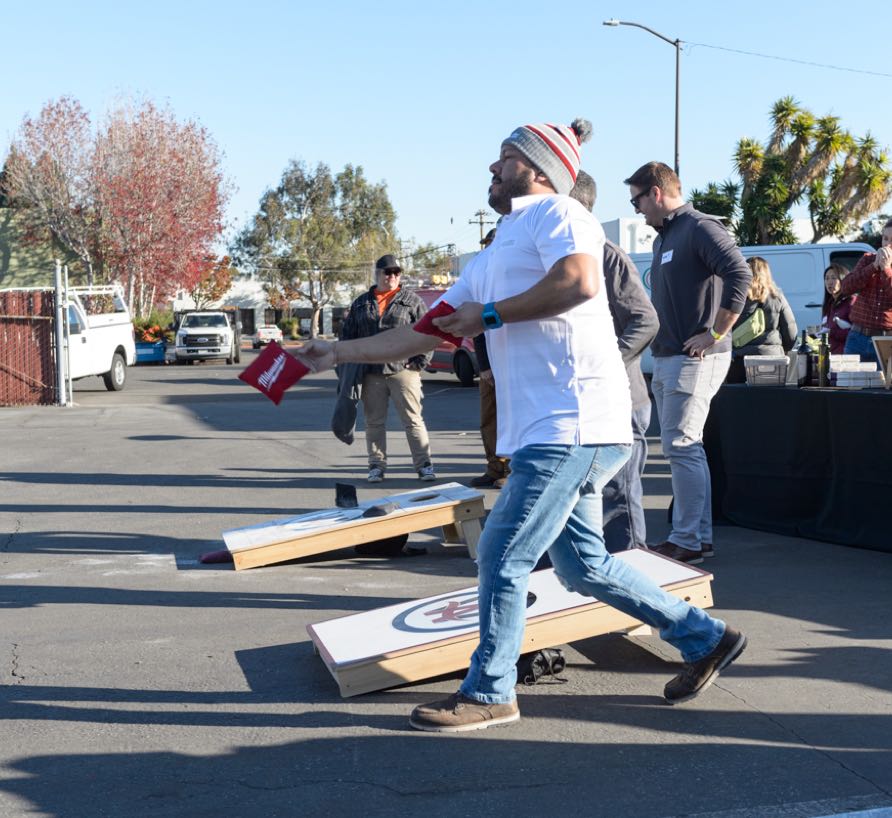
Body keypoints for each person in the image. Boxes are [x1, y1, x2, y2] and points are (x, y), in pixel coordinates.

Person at [299, 120, 746, 732]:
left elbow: (579, 282)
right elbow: (424, 328)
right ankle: (705, 637)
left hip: (573, 424)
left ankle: (490, 691)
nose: (492, 168)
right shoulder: (496, 250)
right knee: (584, 567)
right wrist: (338, 353)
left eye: (505, 158)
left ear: (538, 170)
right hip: (557, 428)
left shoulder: (559, 212)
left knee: (503, 551)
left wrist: (485, 315)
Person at [625, 161, 751, 565]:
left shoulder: (699, 226)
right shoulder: (666, 236)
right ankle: (695, 537)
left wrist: (714, 333)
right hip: (669, 358)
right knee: (681, 447)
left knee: (683, 446)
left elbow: (740, 275)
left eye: (637, 200)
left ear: (656, 193)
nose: (637, 209)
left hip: (694, 358)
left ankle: (689, 540)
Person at [569, 170, 659, 552]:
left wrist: (604, 364)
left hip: (621, 401)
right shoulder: (571, 256)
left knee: (619, 500)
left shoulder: (607, 256)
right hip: (586, 404)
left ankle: (633, 578)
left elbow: (645, 320)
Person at [339, 254, 436, 482]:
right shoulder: (361, 302)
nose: (392, 276)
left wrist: (420, 360)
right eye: (387, 272)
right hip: (371, 373)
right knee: (374, 422)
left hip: (404, 371)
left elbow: (429, 331)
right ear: (378, 273)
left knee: (413, 420)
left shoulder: (411, 301)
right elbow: (347, 335)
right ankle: (376, 466)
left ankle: (424, 465)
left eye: (396, 272)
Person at [470, 228, 511, 489]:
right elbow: (476, 327)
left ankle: (511, 469)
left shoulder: (512, 278)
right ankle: (494, 467)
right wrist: (484, 366)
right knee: (490, 418)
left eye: (493, 243)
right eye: (487, 244)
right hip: (491, 364)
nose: (488, 248)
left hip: (512, 363)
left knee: (512, 418)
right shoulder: (482, 279)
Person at [726, 257, 798, 384]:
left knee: (738, 401)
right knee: (770, 401)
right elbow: (791, 332)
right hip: (773, 361)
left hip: (740, 360)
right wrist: (781, 349)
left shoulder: (737, 297)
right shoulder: (777, 297)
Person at [839, 219, 892, 364]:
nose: (887, 244)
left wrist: (886, 269)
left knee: (882, 385)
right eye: (885, 238)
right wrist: (874, 266)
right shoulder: (868, 259)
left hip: (886, 340)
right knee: (849, 382)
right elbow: (846, 287)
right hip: (857, 336)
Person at [821, 263, 856, 355]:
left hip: (846, 355)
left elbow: (855, 334)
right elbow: (827, 327)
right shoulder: (830, 303)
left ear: (843, 279)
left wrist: (832, 332)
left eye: (833, 278)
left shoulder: (851, 301)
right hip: (831, 354)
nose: (829, 282)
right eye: (827, 278)